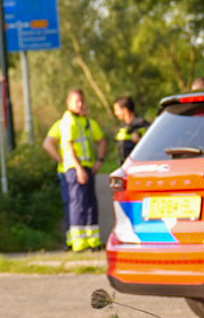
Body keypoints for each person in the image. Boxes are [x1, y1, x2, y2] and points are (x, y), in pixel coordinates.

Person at [43, 88, 107, 252]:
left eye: (82, 101)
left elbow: (102, 140)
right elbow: (51, 144)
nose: (81, 105)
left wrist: (99, 161)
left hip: (84, 167)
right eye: (77, 102)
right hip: (72, 168)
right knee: (75, 203)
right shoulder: (67, 122)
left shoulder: (86, 123)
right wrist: (64, 161)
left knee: (86, 203)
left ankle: (88, 240)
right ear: (68, 103)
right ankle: (75, 241)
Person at [112, 95, 149, 162]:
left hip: (139, 164)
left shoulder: (142, 124)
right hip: (125, 165)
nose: (115, 113)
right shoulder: (122, 127)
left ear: (125, 110)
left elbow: (152, 146)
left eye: (117, 110)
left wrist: (139, 140)